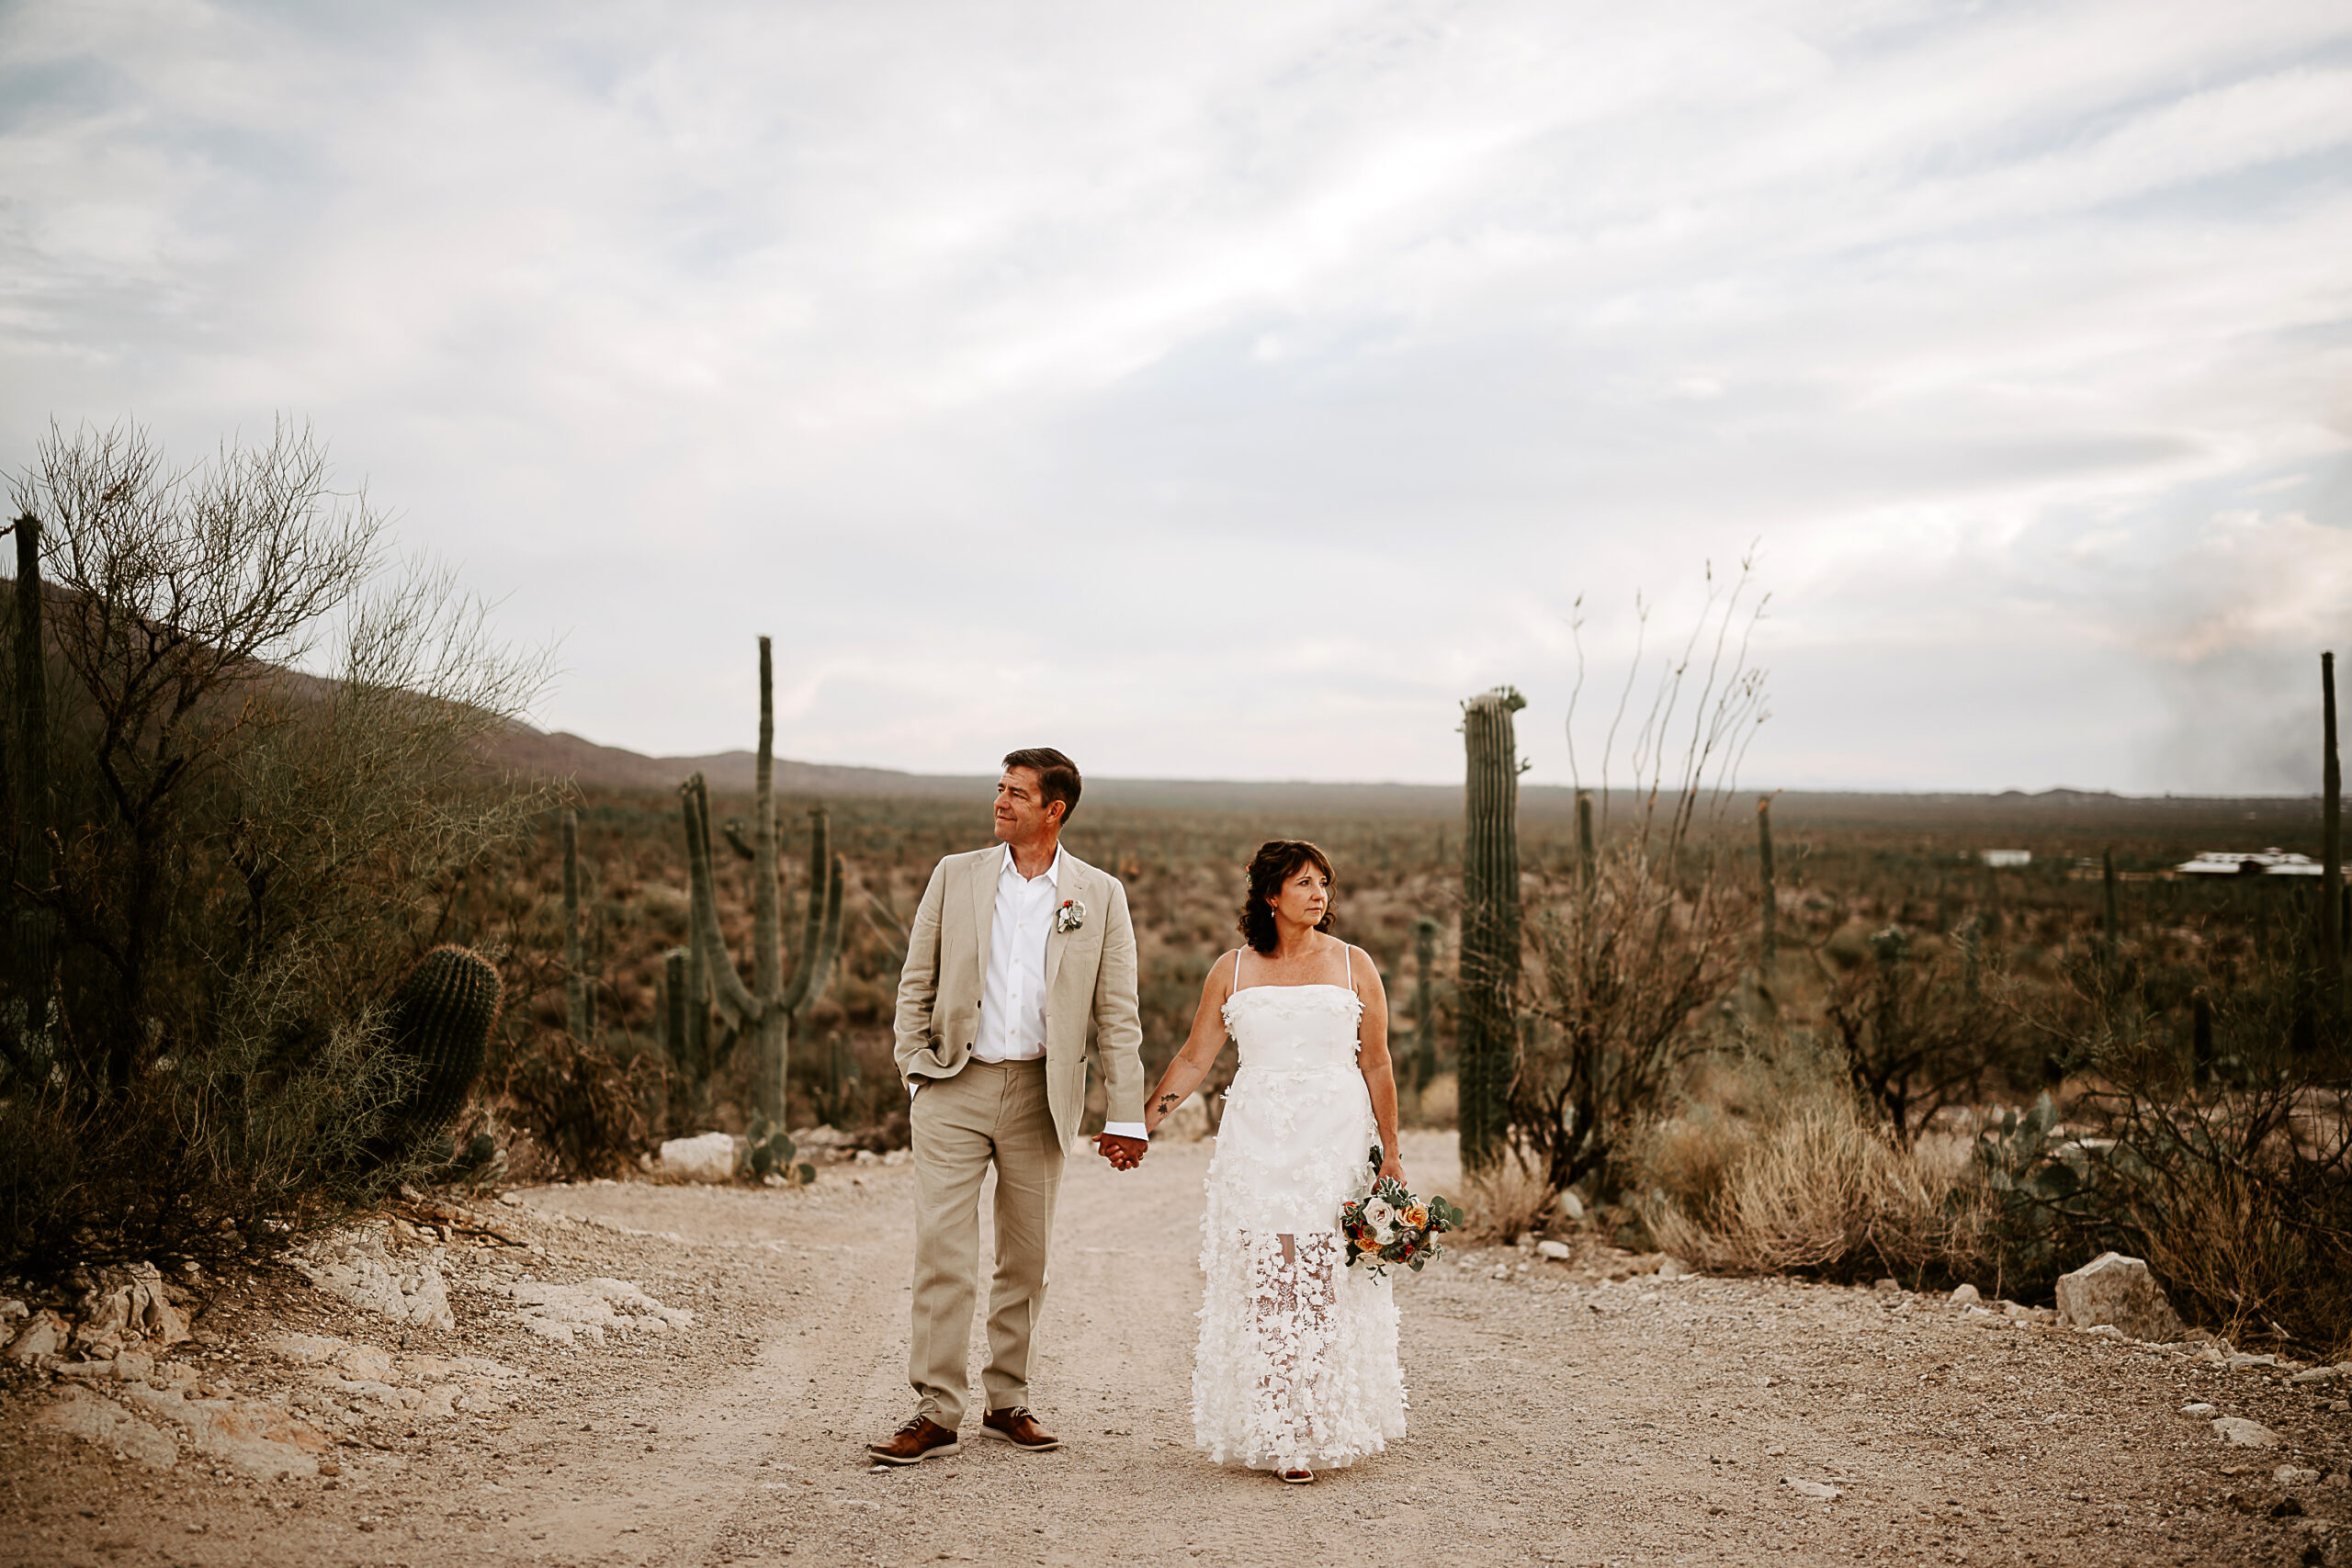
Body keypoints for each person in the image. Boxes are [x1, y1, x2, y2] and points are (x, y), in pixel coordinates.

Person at [867, 748, 1148, 1466]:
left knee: (1027, 1257)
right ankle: (935, 1410)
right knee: (944, 1251)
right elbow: (916, 978)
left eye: (1017, 793)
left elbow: (1118, 1014)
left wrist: (1125, 1112)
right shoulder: (954, 873)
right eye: (999, 788)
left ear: (1054, 810)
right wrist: (914, 1068)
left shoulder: (1100, 893)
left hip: (1040, 1093)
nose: (1001, 801)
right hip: (954, 1083)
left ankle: (1007, 1399)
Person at [1141, 839, 1407, 1483]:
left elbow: (1376, 1060)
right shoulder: (1232, 967)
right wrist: (1141, 1122)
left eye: (1324, 883)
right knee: (1271, 1277)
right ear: (1270, 895)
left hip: (1334, 1137)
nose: (1320, 894)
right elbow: (1196, 1057)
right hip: (1258, 1136)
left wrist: (1392, 1154)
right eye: (1304, 883)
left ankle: (1315, 1422)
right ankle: (1276, 1420)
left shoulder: (1353, 964)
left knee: (1320, 1280)